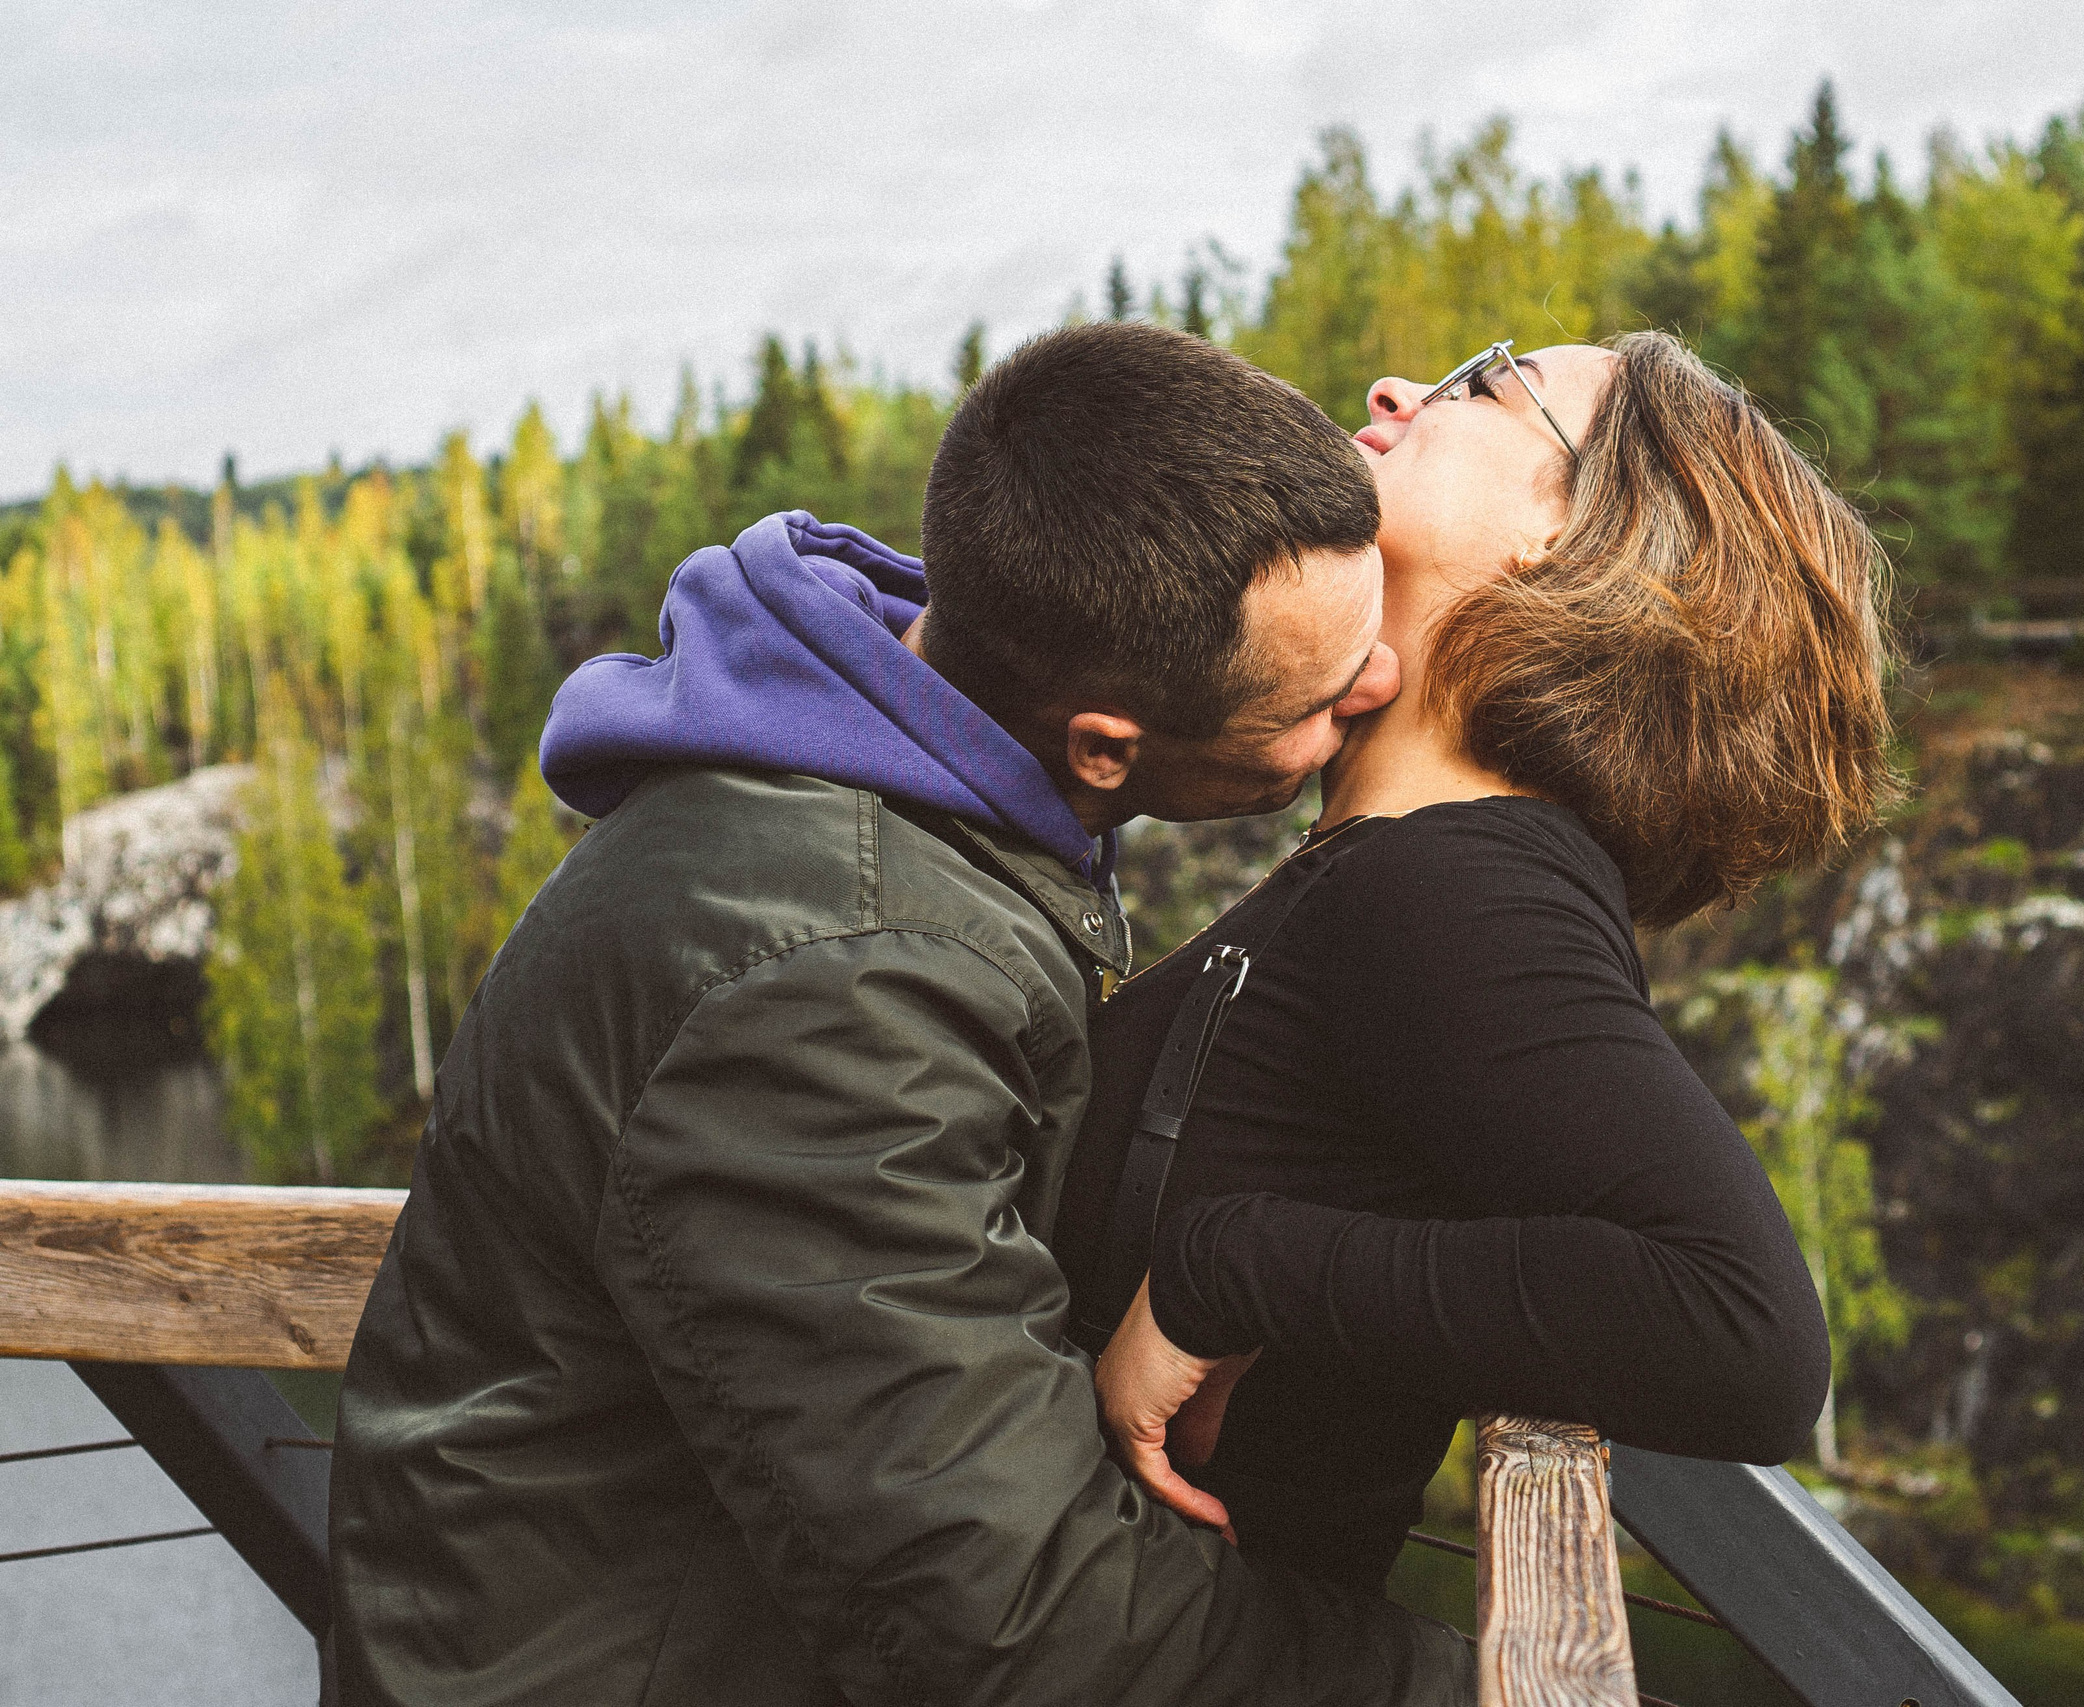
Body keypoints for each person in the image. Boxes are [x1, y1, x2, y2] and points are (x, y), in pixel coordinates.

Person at [326, 322, 1471, 1706]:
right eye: (1320, 690)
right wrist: (1466, 1683)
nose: (1382, 684)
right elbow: (1008, 1612)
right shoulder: (825, 983)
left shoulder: (896, 787)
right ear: (1107, 743)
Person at [1060, 331, 1895, 1590]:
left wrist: (1231, 1269)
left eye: (1485, 385)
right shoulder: (1409, 869)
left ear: (1576, 545)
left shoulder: (1456, 881)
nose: (1395, 389)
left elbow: (1744, 1339)